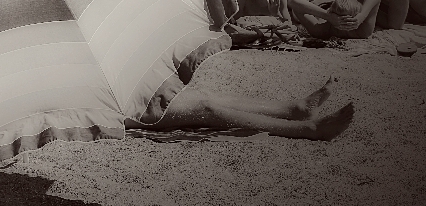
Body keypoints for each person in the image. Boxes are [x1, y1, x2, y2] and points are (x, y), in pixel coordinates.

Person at [140, 76, 354, 141]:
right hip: (120, 112)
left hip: (127, 97)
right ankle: (308, 129)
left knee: (204, 96)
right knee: (205, 107)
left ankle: (295, 110)